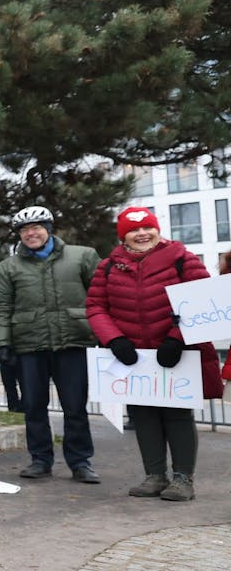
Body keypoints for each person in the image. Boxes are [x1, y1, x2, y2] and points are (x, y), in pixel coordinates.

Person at [85, 207, 221, 502]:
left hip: (175, 354)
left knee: (177, 416)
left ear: (157, 230)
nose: (141, 234)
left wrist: (177, 340)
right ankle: (155, 475)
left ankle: (183, 479)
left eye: (147, 227)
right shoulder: (108, 267)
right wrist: (115, 339)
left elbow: (202, 300)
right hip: (134, 358)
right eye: (133, 230)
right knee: (143, 416)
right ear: (124, 236)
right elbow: (96, 306)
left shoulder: (183, 259)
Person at [0, 205, 100, 483]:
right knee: (34, 407)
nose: (31, 233)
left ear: (49, 230)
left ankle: (80, 461)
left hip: (72, 341)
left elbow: (100, 297)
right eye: (25, 230)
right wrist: (1, 344)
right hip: (29, 346)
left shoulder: (83, 256)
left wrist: (106, 335)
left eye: (36, 228)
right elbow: (1, 309)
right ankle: (40, 459)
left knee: (75, 406)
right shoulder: (7, 268)